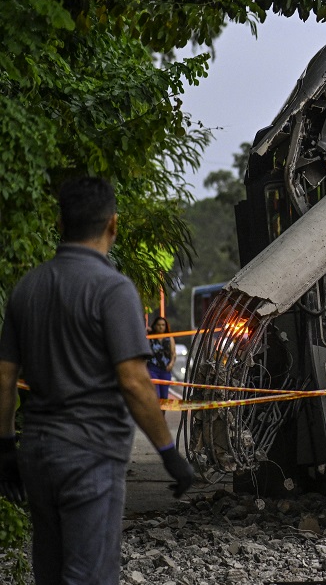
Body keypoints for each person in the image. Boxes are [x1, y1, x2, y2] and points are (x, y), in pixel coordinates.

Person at [0, 177, 194, 585]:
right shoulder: (113, 290)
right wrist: (169, 454)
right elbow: (134, 381)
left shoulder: (27, 289)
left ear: (60, 222)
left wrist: (4, 446)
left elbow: (4, 376)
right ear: (113, 225)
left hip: (37, 453)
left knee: (49, 573)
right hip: (91, 455)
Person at [147, 316, 176, 401]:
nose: (160, 327)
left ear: (165, 326)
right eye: (158, 325)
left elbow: (173, 353)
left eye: (163, 325)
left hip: (165, 369)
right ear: (155, 326)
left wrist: (171, 364)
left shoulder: (169, 338)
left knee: (164, 397)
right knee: (156, 394)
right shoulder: (150, 338)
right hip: (152, 368)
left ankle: (161, 414)